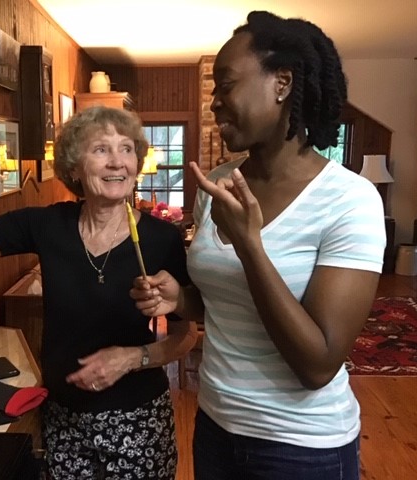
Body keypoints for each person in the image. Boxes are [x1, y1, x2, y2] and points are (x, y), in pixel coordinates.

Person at [0, 106, 198, 479]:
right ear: (74, 168)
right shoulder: (48, 225)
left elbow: (185, 333)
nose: (117, 162)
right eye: (101, 150)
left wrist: (131, 358)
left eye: (126, 149)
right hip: (63, 418)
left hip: (138, 421)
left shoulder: (161, 240)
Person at [131, 10, 386, 480]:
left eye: (225, 86)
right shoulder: (221, 185)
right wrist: (181, 298)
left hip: (301, 447)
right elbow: (224, 309)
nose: (214, 104)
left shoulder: (350, 201)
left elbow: (318, 364)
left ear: (282, 83)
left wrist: (251, 248)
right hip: (216, 427)